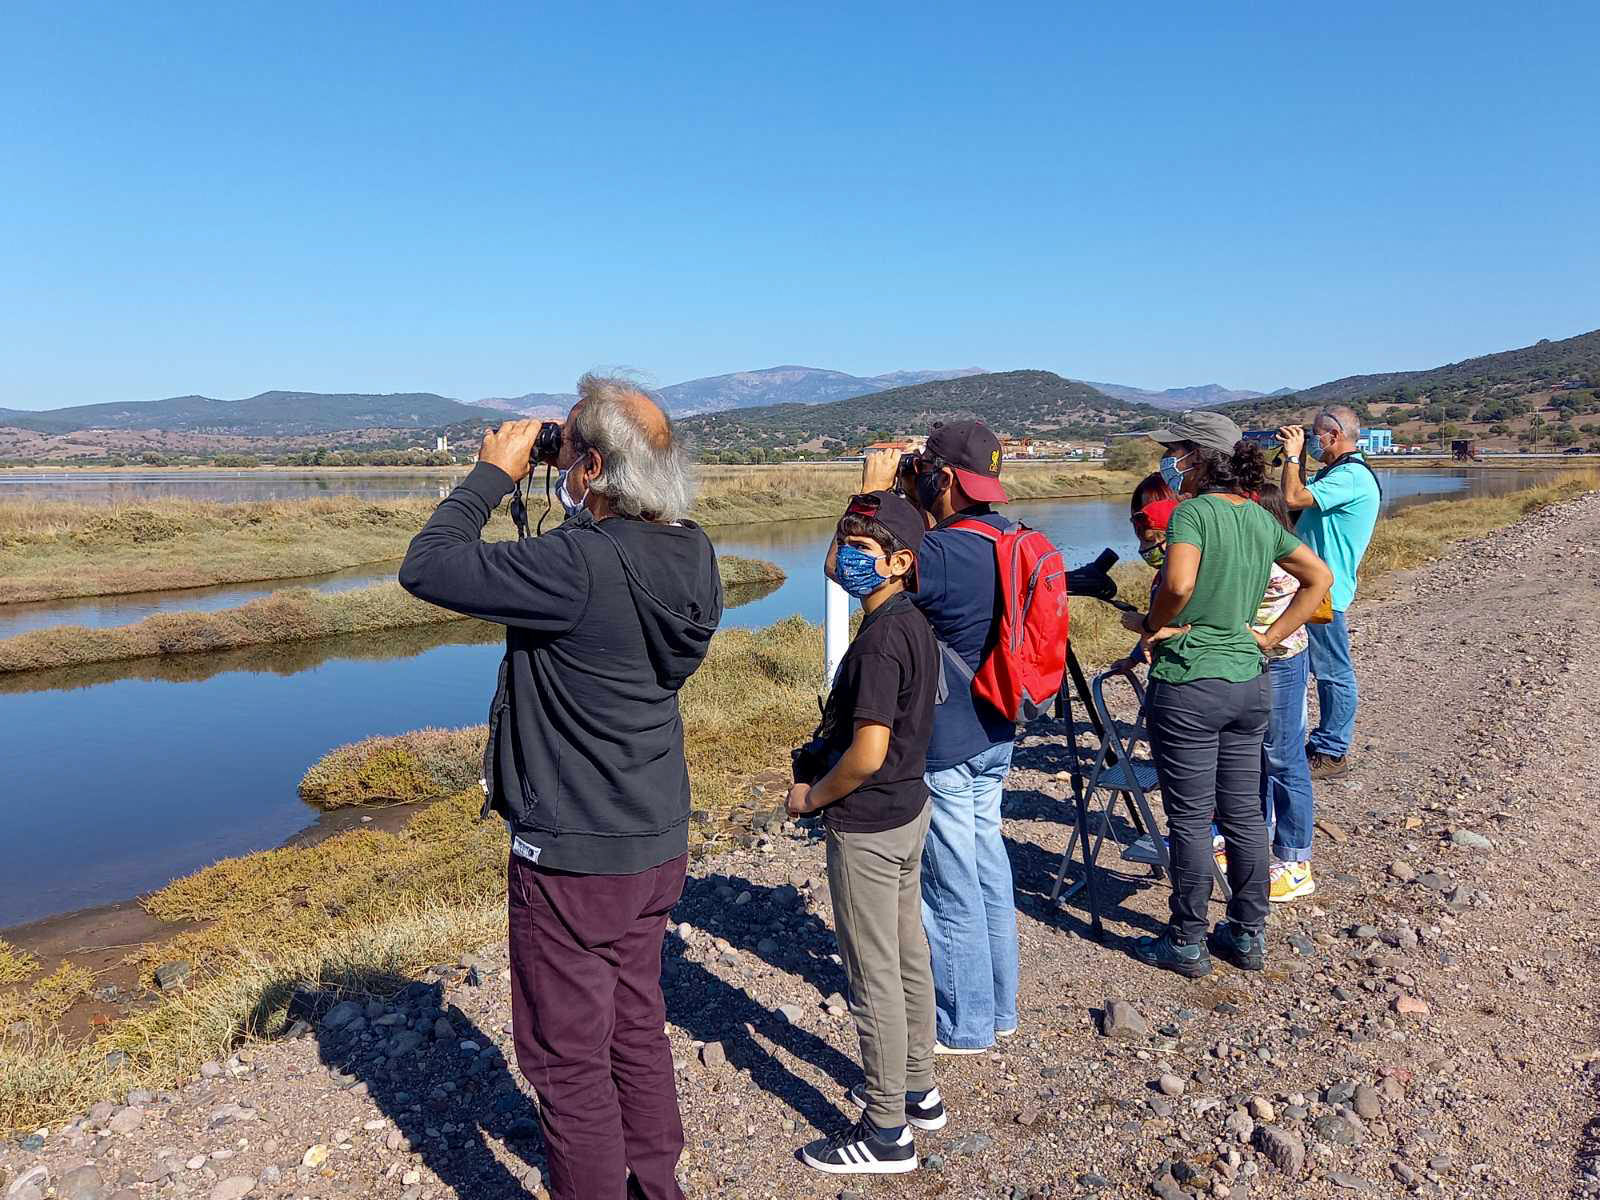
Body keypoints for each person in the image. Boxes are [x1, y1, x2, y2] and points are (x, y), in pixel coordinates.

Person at [399, 375, 722, 1200]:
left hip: (573, 853)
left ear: (592, 469)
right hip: (654, 838)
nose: (558, 456)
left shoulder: (576, 564)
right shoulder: (693, 551)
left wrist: (492, 476)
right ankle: (658, 1188)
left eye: (567, 445)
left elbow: (428, 566)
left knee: (568, 1063)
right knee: (637, 1028)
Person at [1131, 411, 1331, 977]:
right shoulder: (1259, 517)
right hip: (1250, 680)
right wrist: (1268, 637)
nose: (1169, 462)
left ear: (1196, 457)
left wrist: (1153, 623)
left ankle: (1187, 939)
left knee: (1191, 819)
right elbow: (1319, 578)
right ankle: (1246, 933)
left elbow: (1178, 583)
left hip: (1190, 683)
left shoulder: (1194, 512)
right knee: (1244, 812)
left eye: (1176, 452)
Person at [786, 490, 941, 1176]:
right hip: (909, 811)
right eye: (845, 545)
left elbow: (868, 751)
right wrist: (857, 505)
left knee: (871, 976)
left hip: (869, 824)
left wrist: (813, 798)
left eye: (863, 551)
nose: (846, 558)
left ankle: (886, 1133)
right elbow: (833, 565)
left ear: (900, 562)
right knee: (908, 956)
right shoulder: (911, 619)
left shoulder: (879, 642)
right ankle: (918, 1090)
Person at [861, 421, 1019, 1054]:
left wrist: (870, 499)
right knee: (987, 870)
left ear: (944, 477)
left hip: (948, 739)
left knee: (949, 886)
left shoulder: (941, 553)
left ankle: (966, 1024)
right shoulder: (1005, 536)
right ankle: (1000, 1007)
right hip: (998, 728)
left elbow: (853, 571)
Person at [1277, 406, 1382, 780]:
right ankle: (1302, 740)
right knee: (1301, 666)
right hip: (1310, 589)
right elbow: (1299, 499)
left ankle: (1332, 750)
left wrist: (1292, 455)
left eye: (1315, 435)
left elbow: (1292, 498)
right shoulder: (1338, 473)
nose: (1311, 440)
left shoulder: (1351, 476)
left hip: (1323, 594)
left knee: (1332, 672)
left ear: (1334, 436)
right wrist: (1299, 459)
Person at [1253, 483, 1319, 902]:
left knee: (1283, 755)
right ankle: (1256, 838)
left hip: (1279, 660)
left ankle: (1295, 861)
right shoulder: (1271, 549)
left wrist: (1266, 638)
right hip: (1262, 661)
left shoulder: (1278, 558)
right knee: (1257, 751)